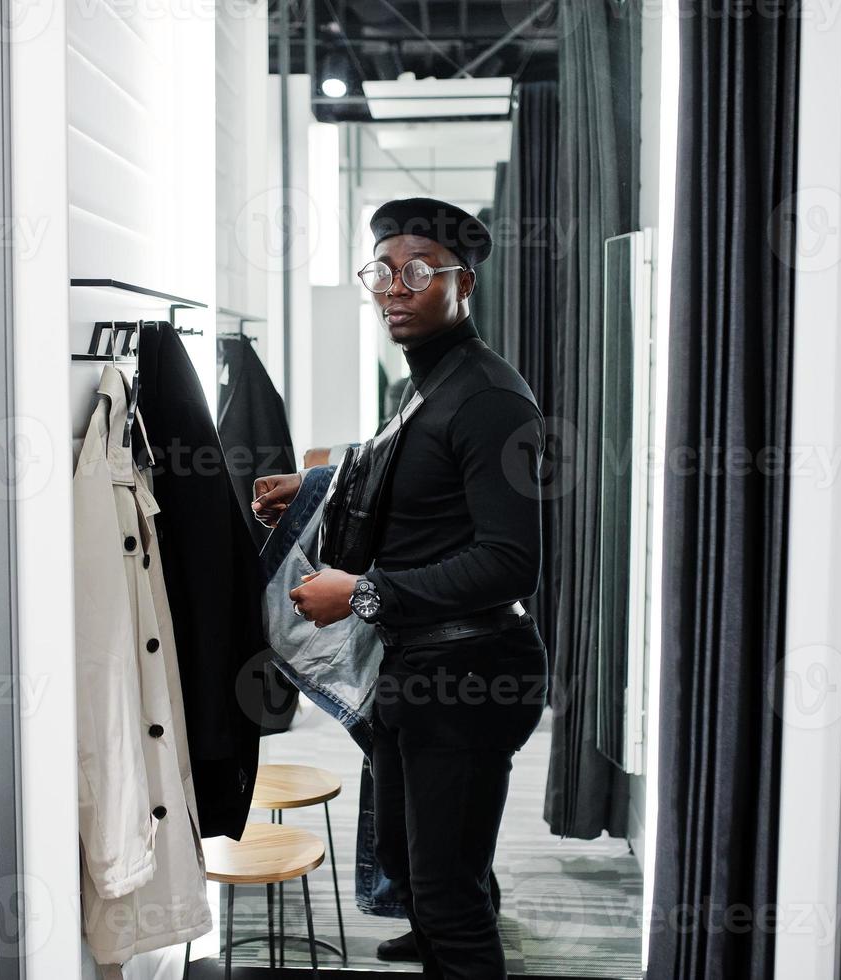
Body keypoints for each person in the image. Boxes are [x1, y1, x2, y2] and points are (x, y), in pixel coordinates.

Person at [252, 197, 548, 979]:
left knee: (447, 892)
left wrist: (359, 594)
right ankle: (426, 924)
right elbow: (403, 462)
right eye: (380, 271)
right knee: (422, 864)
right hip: (423, 671)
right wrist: (317, 482)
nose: (393, 287)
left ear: (463, 284)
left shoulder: (486, 398)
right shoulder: (430, 383)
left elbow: (510, 560)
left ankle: (443, 934)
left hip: (470, 674)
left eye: (416, 271)